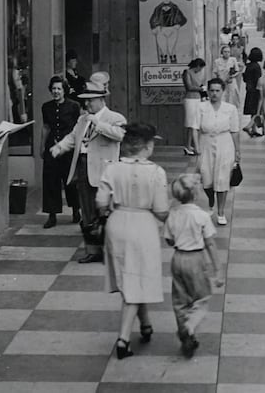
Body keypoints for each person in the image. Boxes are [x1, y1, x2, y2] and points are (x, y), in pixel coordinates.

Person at [95, 123, 169, 360]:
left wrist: (109, 212)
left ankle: (145, 324)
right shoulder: (156, 172)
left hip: (116, 223)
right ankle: (123, 339)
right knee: (138, 277)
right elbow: (161, 210)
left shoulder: (112, 169)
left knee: (131, 277)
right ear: (146, 147)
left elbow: (101, 202)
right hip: (143, 226)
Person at [50, 77, 125, 264]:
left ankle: (110, 251)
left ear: (101, 100)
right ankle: (92, 250)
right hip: (83, 167)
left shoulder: (115, 118)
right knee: (87, 211)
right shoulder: (82, 119)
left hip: (104, 170)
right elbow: (73, 137)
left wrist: (97, 124)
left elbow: (120, 135)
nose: (87, 103)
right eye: (85, 100)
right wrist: (60, 146)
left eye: (90, 100)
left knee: (106, 211)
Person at [164, 174, 224, 358]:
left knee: (180, 300)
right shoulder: (201, 216)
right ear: (196, 194)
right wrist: (218, 270)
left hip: (177, 258)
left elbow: (168, 239)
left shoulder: (172, 215)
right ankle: (189, 328)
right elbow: (210, 244)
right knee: (201, 299)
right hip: (196, 259)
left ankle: (184, 331)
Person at [193, 78, 241, 226]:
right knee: (206, 176)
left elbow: (234, 131)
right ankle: (211, 201)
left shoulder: (230, 109)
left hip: (224, 143)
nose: (214, 94)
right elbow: (195, 128)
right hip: (206, 142)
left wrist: (237, 151)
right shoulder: (201, 107)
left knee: (222, 178)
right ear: (208, 91)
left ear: (223, 91)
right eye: (211, 90)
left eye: (217, 91)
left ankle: (221, 211)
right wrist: (196, 147)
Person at [40, 75, 81, 229]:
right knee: (51, 180)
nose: (56, 91)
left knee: (70, 180)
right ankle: (52, 215)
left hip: (68, 148)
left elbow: (78, 128)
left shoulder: (74, 106)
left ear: (64, 90)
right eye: (54, 89)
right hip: (52, 148)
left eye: (59, 88)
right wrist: (42, 146)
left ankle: (76, 210)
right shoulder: (46, 107)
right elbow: (45, 127)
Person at [149, 0, 187, 64]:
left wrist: (178, 24)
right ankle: (163, 67)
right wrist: (154, 27)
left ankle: (173, 66)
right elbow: (152, 20)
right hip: (161, 30)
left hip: (172, 30)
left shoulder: (175, 8)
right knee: (163, 50)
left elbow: (183, 19)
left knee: (171, 50)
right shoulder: (158, 8)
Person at [182, 58, 206, 156]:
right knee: (191, 123)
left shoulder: (198, 74)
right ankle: (191, 146)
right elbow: (189, 87)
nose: (200, 70)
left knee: (194, 123)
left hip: (197, 98)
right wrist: (200, 89)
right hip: (190, 99)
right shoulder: (187, 72)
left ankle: (189, 145)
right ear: (197, 66)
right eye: (200, 68)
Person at [242, 47, 264, 137]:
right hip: (256, 89)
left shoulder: (248, 66)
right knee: (257, 109)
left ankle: (254, 129)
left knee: (253, 110)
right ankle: (250, 125)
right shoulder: (257, 67)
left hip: (249, 89)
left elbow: (245, 78)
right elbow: (258, 79)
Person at [213, 45, 242, 109]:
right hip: (222, 81)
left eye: (228, 52)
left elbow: (237, 71)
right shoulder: (217, 61)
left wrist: (232, 75)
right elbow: (215, 72)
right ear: (222, 52)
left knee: (232, 97)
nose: (227, 53)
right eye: (225, 52)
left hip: (231, 82)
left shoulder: (233, 60)